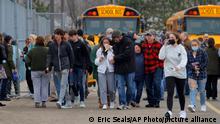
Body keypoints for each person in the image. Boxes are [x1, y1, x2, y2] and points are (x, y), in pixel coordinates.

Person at [159, 33, 187, 118]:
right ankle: (169, 111)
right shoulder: (166, 48)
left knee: (180, 93)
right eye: (169, 37)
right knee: (170, 92)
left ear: (177, 39)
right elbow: (161, 57)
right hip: (169, 72)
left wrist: (179, 67)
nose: (170, 39)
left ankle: (182, 111)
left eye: (172, 37)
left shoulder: (181, 48)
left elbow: (184, 59)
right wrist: (163, 46)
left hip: (180, 72)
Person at [46, 28, 74, 109]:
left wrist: (71, 66)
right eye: (55, 34)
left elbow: (71, 55)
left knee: (62, 84)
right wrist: (48, 66)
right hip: (57, 67)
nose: (56, 36)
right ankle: (68, 102)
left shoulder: (66, 44)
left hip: (65, 66)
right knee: (65, 85)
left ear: (61, 35)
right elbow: (49, 56)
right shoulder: (51, 45)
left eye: (58, 34)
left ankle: (60, 100)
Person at [111, 30, 135, 110]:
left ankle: (128, 102)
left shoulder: (128, 42)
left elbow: (127, 55)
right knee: (120, 87)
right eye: (114, 39)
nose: (115, 40)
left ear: (120, 36)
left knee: (130, 87)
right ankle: (122, 103)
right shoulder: (114, 43)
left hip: (129, 68)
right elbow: (112, 53)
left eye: (116, 38)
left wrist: (115, 58)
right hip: (119, 68)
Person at [68, 30, 92, 108]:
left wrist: (87, 67)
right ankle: (76, 95)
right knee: (71, 83)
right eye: (70, 36)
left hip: (80, 67)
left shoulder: (81, 44)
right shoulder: (69, 44)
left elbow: (86, 56)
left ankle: (82, 101)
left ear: (76, 36)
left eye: (72, 36)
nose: (70, 38)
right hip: (72, 67)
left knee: (80, 84)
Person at [25, 36, 49, 108]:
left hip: (34, 70)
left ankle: (37, 102)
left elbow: (26, 59)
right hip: (46, 70)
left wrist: (29, 65)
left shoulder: (32, 50)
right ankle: (44, 102)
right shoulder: (47, 50)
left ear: (36, 42)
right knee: (44, 86)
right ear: (43, 42)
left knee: (36, 86)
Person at [142, 30, 163, 108]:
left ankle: (157, 101)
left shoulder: (159, 45)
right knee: (148, 86)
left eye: (150, 35)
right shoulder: (143, 45)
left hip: (157, 67)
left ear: (154, 36)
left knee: (157, 84)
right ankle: (151, 102)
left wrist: (161, 66)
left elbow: (162, 56)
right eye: (147, 36)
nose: (148, 37)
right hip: (147, 67)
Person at [187, 39, 208, 112]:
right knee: (192, 89)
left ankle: (203, 104)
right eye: (192, 45)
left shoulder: (203, 52)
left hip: (202, 74)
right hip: (192, 74)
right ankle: (193, 105)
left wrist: (199, 68)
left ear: (198, 45)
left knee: (201, 90)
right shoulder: (189, 53)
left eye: (195, 45)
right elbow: (187, 63)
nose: (194, 46)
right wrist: (193, 68)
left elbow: (205, 62)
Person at [95, 37, 115, 110]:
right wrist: (99, 60)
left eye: (107, 42)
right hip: (101, 71)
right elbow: (96, 62)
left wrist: (113, 60)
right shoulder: (99, 51)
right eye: (104, 42)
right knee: (102, 88)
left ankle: (112, 101)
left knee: (111, 88)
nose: (105, 44)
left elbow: (115, 58)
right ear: (102, 43)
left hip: (110, 70)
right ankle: (104, 103)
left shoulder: (112, 49)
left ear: (109, 43)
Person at [3, 35, 16, 100]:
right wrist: (14, 67)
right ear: (9, 40)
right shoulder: (9, 47)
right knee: (8, 80)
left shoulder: (3, 46)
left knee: (3, 81)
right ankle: (6, 94)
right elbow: (10, 59)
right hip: (7, 66)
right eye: (11, 40)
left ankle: (3, 94)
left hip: (2, 65)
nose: (12, 41)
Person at [0, 33, 7, 105]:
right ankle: (2, 96)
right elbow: (4, 57)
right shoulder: (1, 46)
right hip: (0, 66)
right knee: (4, 79)